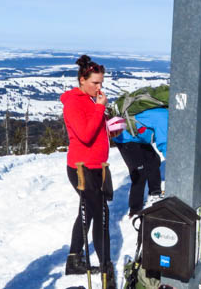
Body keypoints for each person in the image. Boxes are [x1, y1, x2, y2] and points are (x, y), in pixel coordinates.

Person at [60, 55, 116, 289]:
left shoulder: (90, 99)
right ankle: (106, 268)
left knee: (90, 211)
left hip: (95, 167)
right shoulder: (75, 101)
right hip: (82, 169)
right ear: (82, 80)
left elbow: (93, 132)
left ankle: (74, 259)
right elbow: (84, 134)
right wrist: (100, 108)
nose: (99, 87)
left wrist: (109, 131)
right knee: (100, 214)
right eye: (95, 83)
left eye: (101, 83)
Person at [113, 107, 168, 217]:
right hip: (125, 138)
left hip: (139, 138)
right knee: (139, 172)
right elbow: (163, 143)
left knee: (154, 160)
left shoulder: (164, 113)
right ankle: (135, 209)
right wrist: (174, 160)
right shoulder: (164, 117)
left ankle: (155, 193)